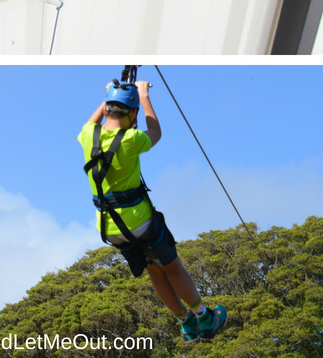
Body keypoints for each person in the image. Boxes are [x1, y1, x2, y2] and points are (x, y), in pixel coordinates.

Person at [78, 80, 227, 343]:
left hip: (110, 228)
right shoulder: (132, 139)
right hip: (139, 222)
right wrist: (144, 96)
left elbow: (98, 115)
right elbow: (155, 131)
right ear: (132, 113)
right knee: (172, 267)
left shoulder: (88, 134)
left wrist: (110, 93)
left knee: (153, 271)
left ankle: (186, 323)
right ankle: (205, 317)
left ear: (107, 109)